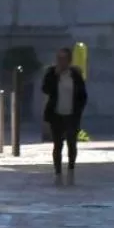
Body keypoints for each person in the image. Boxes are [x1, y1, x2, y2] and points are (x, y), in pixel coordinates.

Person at [42, 47, 88, 184]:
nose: (61, 62)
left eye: (64, 59)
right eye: (59, 59)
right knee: (57, 144)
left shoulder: (75, 74)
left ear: (69, 60)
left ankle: (71, 168)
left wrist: (79, 110)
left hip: (72, 114)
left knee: (72, 143)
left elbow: (83, 95)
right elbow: (45, 89)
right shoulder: (51, 72)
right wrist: (56, 75)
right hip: (56, 114)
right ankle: (57, 171)